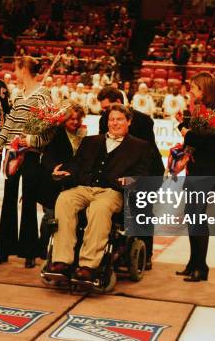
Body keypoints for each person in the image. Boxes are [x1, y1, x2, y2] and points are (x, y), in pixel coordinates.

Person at [47, 104, 152, 281]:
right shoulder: (90, 141)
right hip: (85, 188)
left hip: (112, 192)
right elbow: (76, 165)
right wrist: (65, 172)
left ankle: (88, 265)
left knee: (99, 208)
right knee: (64, 199)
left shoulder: (140, 146)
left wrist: (128, 181)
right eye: (112, 119)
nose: (115, 123)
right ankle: (62, 261)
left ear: (129, 121)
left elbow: (141, 176)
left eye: (119, 119)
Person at [0, 56, 55, 268]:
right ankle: (5, 250)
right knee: (9, 199)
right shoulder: (17, 95)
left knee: (28, 200)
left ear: (24, 70)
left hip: (31, 154)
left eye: (17, 69)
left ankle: (29, 251)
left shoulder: (43, 94)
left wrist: (34, 140)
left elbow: (50, 128)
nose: (16, 74)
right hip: (12, 153)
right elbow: (8, 124)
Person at [98, 86, 165, 269]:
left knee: (142, 209)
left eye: (106, 108)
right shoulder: (104, 120)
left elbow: (148, 153)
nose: (105, 114)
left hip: (149, 171)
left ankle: (146, 255)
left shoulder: (143, 121)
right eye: (103, 110)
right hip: (121, 171)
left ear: (118, 103)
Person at [175, 72, 215, 282]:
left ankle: (201, 267)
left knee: (197, 218)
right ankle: (193, 263)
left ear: (204, 90)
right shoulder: (199, 112)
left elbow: (202, 142)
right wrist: (183, 126)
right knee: (192, 217)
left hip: (205, 173)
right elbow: (195, 140)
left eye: (194, 88)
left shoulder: (213, 113)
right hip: (196, 172)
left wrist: (183, 129)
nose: (191, 91)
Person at [39, 102, 87, 257]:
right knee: (51, 216)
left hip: (72, 182)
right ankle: (43, 247)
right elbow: (47, 156)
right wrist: (54, 168)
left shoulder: (82, 134)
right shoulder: (56, 133)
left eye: (77, 119)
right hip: (54, 181)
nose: (75, 122)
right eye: (71, 119)